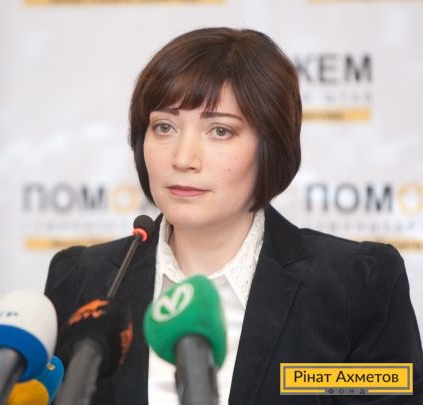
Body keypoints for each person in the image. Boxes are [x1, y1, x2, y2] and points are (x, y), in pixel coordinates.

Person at [44, 27, 423, 404]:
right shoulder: (83, 280)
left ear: (270, 146)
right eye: (164, 127)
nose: (183, 158)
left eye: (220, 131)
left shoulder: (356, 285)